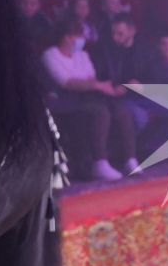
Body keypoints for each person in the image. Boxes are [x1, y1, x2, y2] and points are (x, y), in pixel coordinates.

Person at [40, 18, 136, 181]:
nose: (82, 40)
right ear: (68, 37)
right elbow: (66, 82)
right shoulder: (50, 55)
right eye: (79, 36)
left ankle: (130, 159)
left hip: (88, 95)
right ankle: (100, 162)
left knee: (122, 110)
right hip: (65, 99)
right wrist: (93, 85)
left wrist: (93, 85)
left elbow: (90, 77)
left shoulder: (82, 55)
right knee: (101, 112)